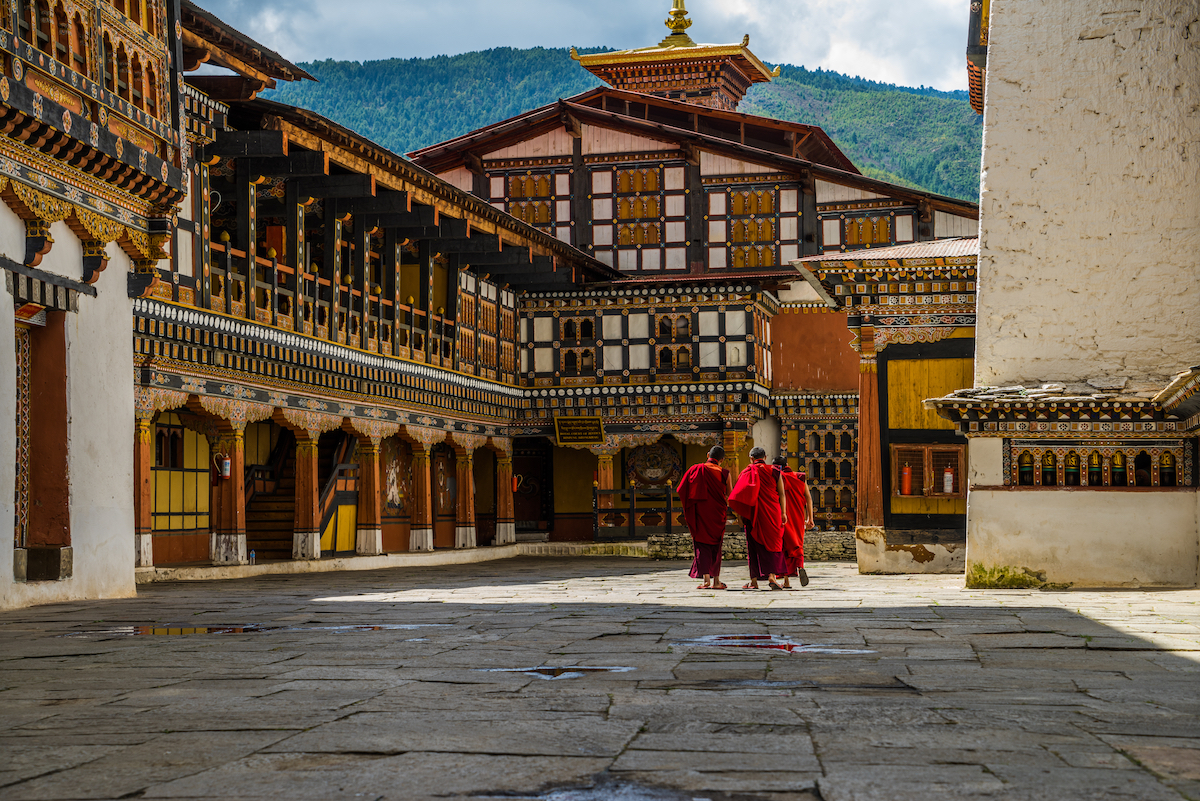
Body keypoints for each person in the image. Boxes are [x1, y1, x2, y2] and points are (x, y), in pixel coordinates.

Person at [728, 447, 787, 590]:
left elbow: (741, 496)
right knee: (773, 544)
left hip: (752, 514)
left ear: (751, 458)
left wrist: (740, 516)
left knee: (753, 547)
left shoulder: (746, 472)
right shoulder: (775, 471)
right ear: (765, 457)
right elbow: (782, 494)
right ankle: (772, 577)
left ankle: (753, 581)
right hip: (772, 512)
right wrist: (783, 513)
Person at [677, 446, 732, 590]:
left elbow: (681, 489)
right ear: (722, 460)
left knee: (702, 545)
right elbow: (729, 496)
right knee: (716, 546)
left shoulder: (695, 469)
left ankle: (706, 580)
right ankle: (717, 581)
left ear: (708, 455)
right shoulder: (725, 473)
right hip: (717, 514)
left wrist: (692, 504)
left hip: (700, 513)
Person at [773, 457, 814, 588]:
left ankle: (786, 581)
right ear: (787, 464)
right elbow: (808, 497)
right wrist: (810, 518)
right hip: (798, 516)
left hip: (783, 516)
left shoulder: (776, 478)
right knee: (798, 543)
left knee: (785, 547)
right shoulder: (799, 476)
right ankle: (800, 566)